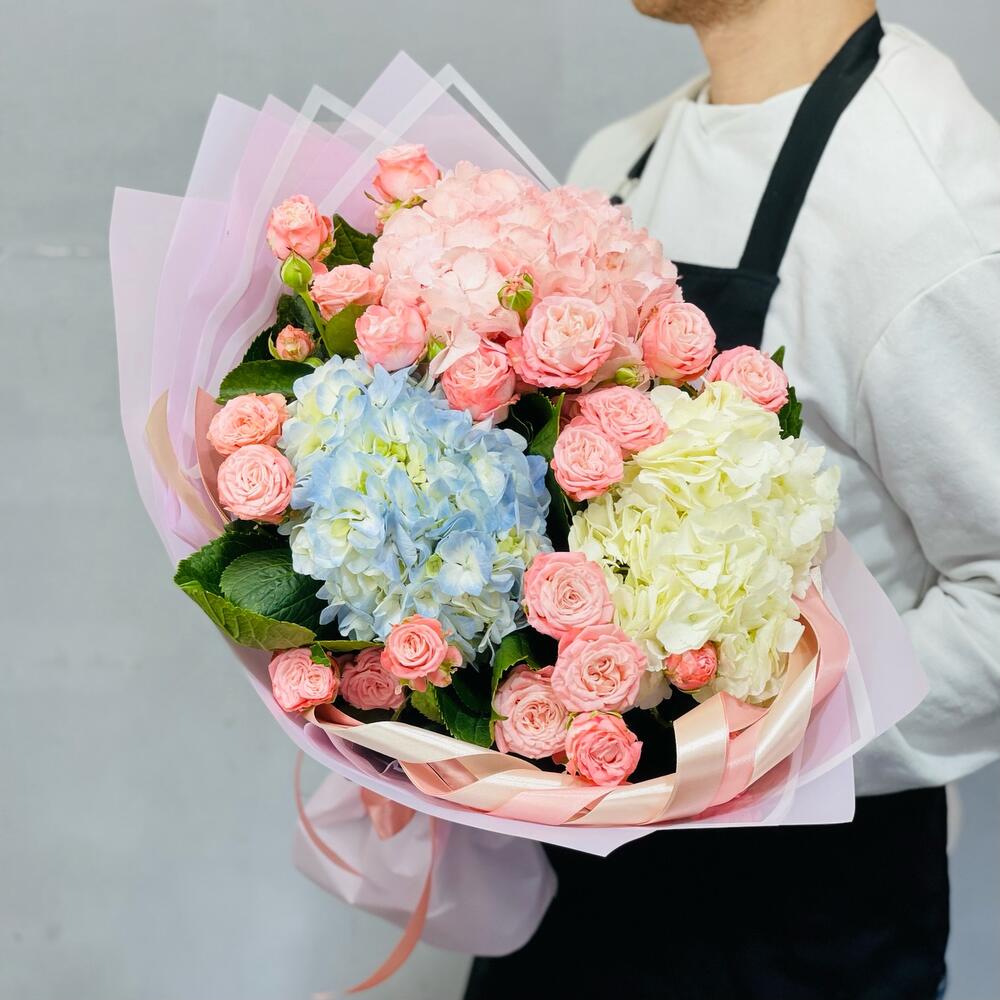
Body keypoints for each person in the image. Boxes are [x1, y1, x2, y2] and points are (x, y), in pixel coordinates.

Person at [463, 2, 1000, 998]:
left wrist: (736, 750)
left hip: (800, 930)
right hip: (571, 894)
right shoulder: (621, 160)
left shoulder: (929, 215)